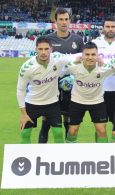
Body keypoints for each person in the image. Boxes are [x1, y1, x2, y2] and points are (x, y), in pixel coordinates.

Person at [17, 36, 80, 144]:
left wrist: (95, 58)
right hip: (32, 103)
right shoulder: (27, 67)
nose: (43, 52)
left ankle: (59, 159)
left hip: (52, 104)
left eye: (46, 49)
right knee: (25, 133)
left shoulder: (57, 58)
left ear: (51, 49)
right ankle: (27, 159)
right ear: (36, 49)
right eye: (40, 49)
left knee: (58, 133)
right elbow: (20, 90)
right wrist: (23, 114)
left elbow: (76, 55)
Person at [39, 8, 84, 143]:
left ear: (70, 21)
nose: (64, 22)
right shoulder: (48, 39)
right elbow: (42, 63)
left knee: (68, 121)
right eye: (61, 19)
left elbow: (83, 61)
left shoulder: (77, 39)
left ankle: (66, 155)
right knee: (46, 121)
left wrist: (73, 77)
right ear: (55, 21)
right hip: (51, 85)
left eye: (66, 19)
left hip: (71, 86)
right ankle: (40, 154)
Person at [63, 42, 115, 143]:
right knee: (72, 131)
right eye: (87, 54)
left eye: (93, 54)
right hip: (77, 101)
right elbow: (60, 70)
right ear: (82, 55)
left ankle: (104, 155)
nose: (90, 57)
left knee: (101, 130)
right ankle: (68, 154)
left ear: (97, 55)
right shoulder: (73, 66)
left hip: (97, 102)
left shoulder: (104, 67)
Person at [93, 17, 115, 125]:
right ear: (103, 28)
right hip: (100, 90)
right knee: (100, 127)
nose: (110, 29)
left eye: (113, 27)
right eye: (107, 27)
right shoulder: (94, 44)